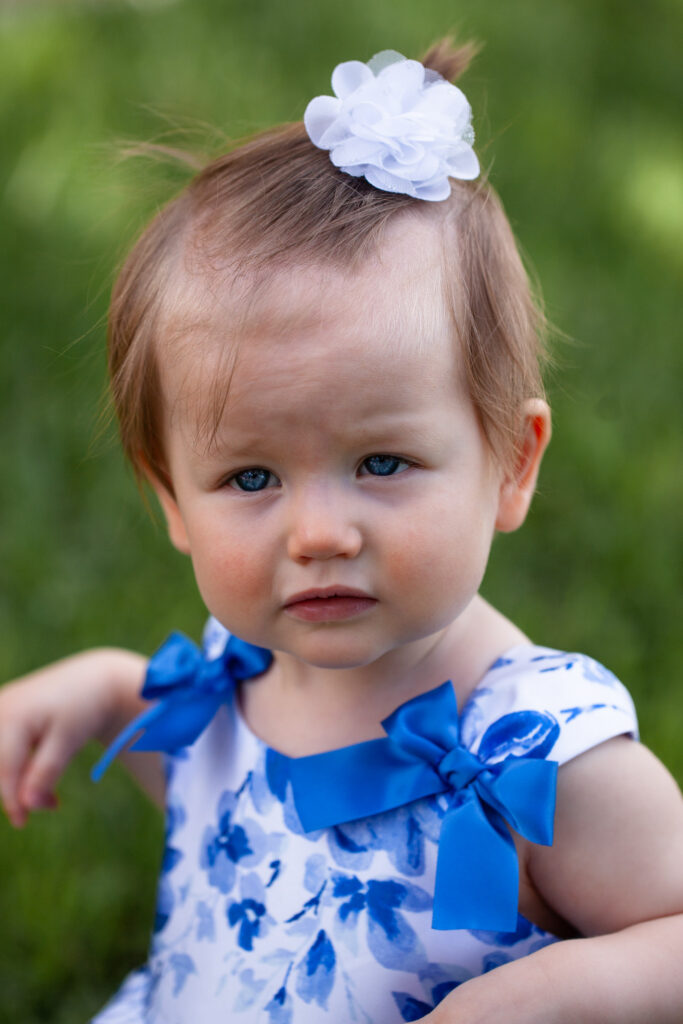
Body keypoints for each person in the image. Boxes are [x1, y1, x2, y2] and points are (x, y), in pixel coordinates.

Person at [1, 38, 683, 1024]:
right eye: (249, 477)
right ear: (170, 503)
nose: (319, 531)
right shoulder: (237, 673)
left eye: (380, 463)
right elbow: (240, 813)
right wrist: (110, 693)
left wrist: (549, 992)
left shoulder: (537, 753)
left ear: (511, 461)